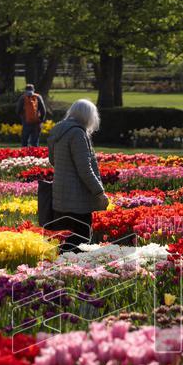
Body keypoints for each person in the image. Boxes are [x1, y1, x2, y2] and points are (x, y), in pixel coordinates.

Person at [46, 99, 108, 252]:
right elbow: (85, 169)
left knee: (66, 238)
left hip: (60, 194)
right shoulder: (78, 133)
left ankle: (63, 264)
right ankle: (71, 266)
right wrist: (99, 192)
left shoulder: (58, 131)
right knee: (81, 240)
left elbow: (53, 160)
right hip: (77, 198)